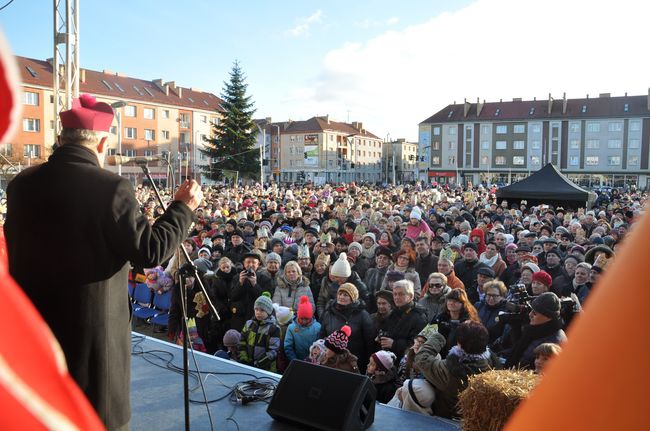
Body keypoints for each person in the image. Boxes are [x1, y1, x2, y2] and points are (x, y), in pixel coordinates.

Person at [4, 94, 202, 430]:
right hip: (92, 345)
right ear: (102, 142)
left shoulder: (22, 183)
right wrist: (183, 209)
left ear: (62, 138)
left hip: (34, 334)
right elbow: (150, 253)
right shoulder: (110, 187)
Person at [415, 320, 499, 419]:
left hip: (446, 418)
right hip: (472, 418)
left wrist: (440, 335)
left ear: (459, 342)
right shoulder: (491, 364)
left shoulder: (450, 370)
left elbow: (422, 359)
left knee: (412, 386)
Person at [320, 282, 374, 372]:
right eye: (340, 294)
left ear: (353, 298)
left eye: (345, 295)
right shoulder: (329, 313)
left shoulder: (362, 315)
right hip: (331, 362)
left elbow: (369, 342)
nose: (341, 297)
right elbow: (322, 336)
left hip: (354, 363)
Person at [504, 292, 567, 369]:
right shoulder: (535, 330)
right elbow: (519, 352)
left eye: (534, 313)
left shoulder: (554, 341)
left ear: (548, 316)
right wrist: (515, 327)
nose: (530, 314)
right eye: (531, 310)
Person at [379, 280, 428, 361]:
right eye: (395, 294)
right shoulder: (394, 312)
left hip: (406, 361)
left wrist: (394, 344)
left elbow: (417, 343)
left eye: (401, 294)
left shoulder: (419, 317)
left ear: (411, 296)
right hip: (391, 358)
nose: (397, 297)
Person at [238, 293, 281, 372]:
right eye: (256, 309)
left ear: (268, 312)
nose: (258, 312)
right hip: (247, 365)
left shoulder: (274, 328)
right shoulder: (249, 324)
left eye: (262, 310)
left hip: (266, 369)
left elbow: (273, 351)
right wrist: (244, 359)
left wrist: (258, 363)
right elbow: (241, 342)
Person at [431, 288, 480, 358]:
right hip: (438, 355)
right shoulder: (439, 318)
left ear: (463, 304)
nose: (451, 303)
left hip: (460, 357)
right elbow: (427, 332)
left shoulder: (469, 322)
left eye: (456, 301)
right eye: (449, 300)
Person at [284, 295, 321, 362]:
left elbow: (319, 346)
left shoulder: (317, 327)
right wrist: (294, 360)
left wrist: (313, 359)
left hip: (313, 361)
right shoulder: (291, 328)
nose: (304, 321)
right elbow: (288, 347)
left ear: (311, 317)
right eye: (301, 318)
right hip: (296, 361)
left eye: (306, 319)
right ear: (298, 316)